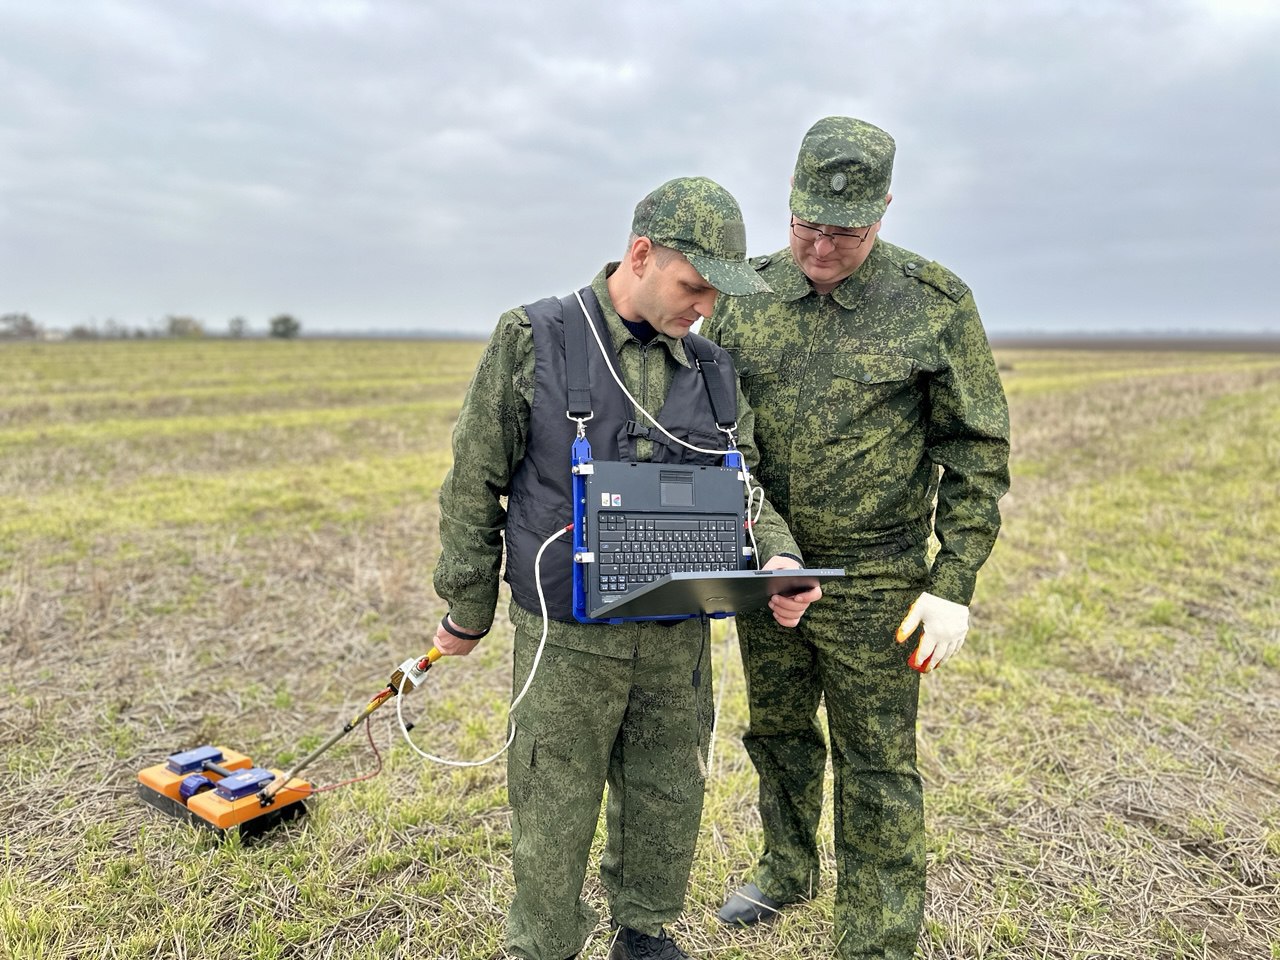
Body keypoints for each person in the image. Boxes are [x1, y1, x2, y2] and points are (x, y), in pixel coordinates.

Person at [430, 176, 821, 960]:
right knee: (553, 799)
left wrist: (776, 554)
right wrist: (467, 608)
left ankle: (644, 931)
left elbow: (745, 485)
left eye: (716, 293)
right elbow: (474, 481)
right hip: (568, 635)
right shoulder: (535, 337)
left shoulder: (712, 369)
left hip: (676, 627)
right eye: (693, 285)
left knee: (668, 792)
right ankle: (542, 943)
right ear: (640, 255)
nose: (704, 306)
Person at [701, 117, 1010, 958]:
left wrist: (954, 580)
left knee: (877, 761)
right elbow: (715, 436)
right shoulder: (744, 297)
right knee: (779, 732)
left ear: (882, 213)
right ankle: (787, 866)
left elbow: (976, 453)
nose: (822, 246)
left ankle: (876, 938)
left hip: (878, 580)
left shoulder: (934, 304)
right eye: (807, 225)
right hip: (768, 565)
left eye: (845, 231)